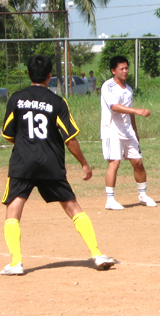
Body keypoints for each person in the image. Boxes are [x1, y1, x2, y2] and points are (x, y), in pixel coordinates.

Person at [1, 55, 115, 275]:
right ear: (49, 75)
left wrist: (26, 142)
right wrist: (84, 163)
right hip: (50, 163)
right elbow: (69, 138)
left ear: (28, 73)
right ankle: (97, 254)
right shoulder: (57, 102)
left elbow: (8, 134)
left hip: (22, 163)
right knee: (72, 207)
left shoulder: (16, 98)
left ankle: (16, 263)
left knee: (13, 210)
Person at [101, 55, 156, 210]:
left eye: (126, 68)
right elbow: (114, 106)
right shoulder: (108, 86)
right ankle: (110, 200)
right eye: (122, 69)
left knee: (138, 162)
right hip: (111, 130)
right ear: (113, 71)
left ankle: (142, 195)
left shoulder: (129, 89)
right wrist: (137, 110)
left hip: (127, 131)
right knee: (114, 163)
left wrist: (135, 131)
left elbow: (129, 113)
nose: (125, 71)